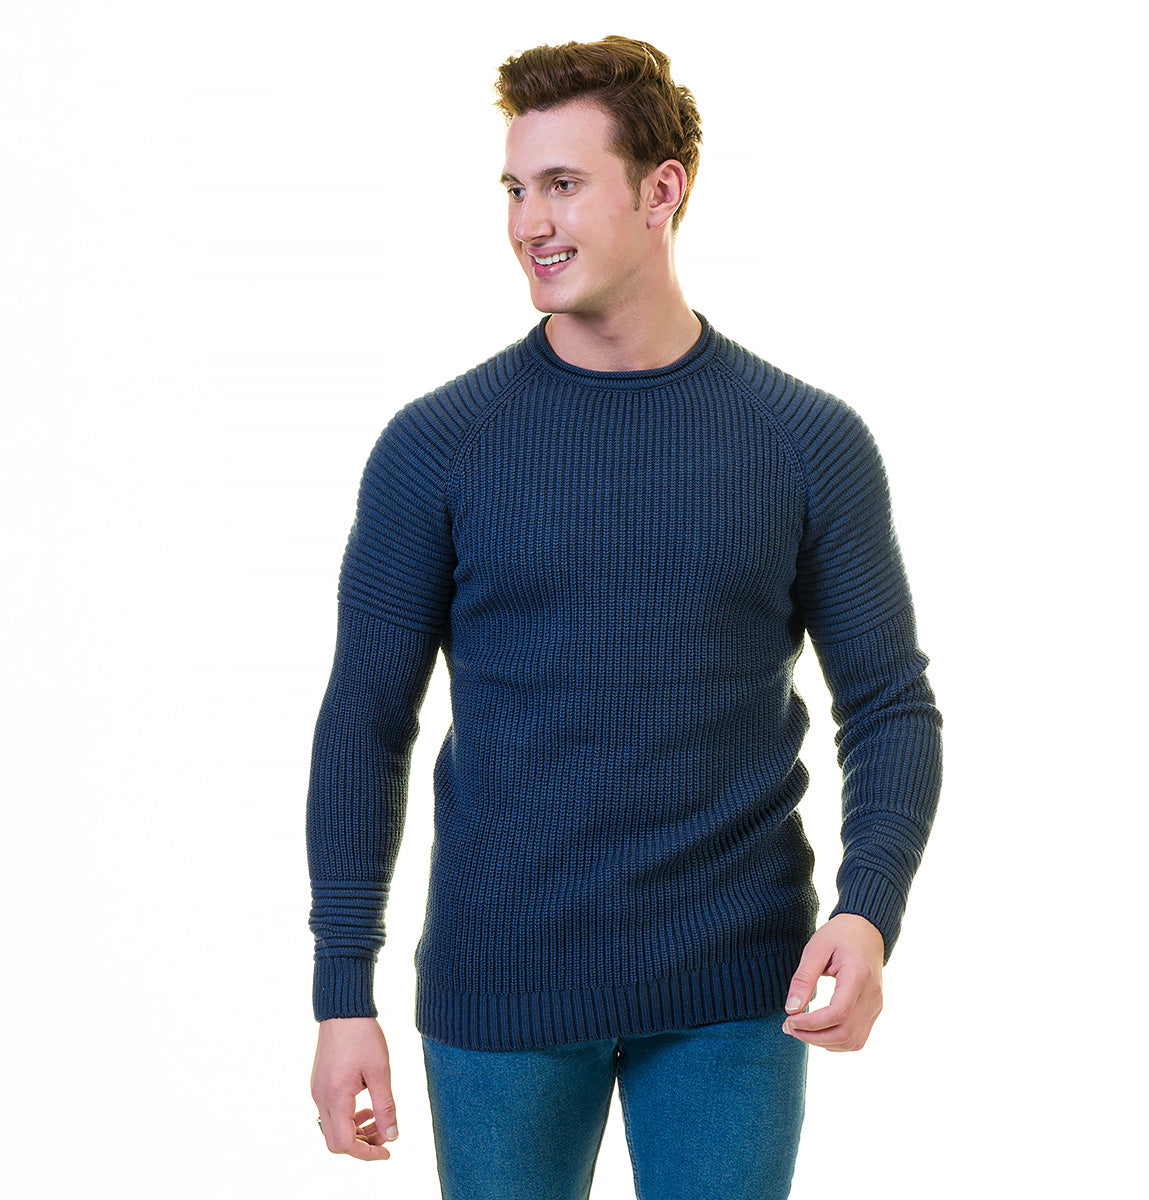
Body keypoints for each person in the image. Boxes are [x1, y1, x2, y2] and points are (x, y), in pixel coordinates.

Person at [307, 34, 943, 1200]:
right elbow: (365, 723)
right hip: (502, 991)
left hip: (736, 992)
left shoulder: (806, 441)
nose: (527, 222)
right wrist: (341, 990)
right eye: (514, 188)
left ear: (662, 191)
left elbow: (890, 703)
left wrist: (869, 911)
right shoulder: (437, 447)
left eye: (562, 184)